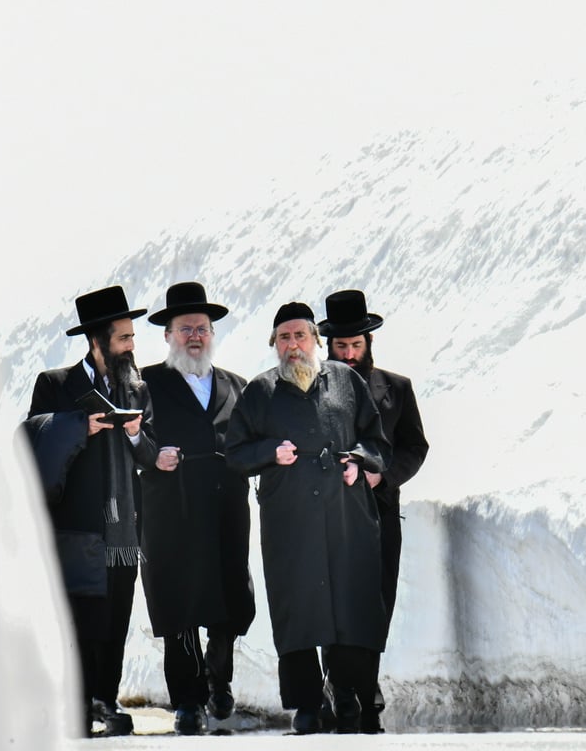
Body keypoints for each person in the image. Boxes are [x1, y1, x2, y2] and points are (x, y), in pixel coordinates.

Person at [225, 301, 392, 735]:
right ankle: (304, 704)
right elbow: (235, 451)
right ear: (274, 344)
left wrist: (359, 461)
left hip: (345, 514)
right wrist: (268, 453)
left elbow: (376, 439)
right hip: (290, 520)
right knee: (297, 608)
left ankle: (346, 693)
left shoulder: (346, 382)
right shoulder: (260, 392)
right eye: (284, 337)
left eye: (300, 335)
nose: (293, 345)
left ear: (316, 340)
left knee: (348, 601)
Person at [22, 285, 157, 737]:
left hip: (123, 532)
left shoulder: (137, 389)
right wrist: (81, 425)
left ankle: (105, 697)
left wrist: (137, 435)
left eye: (132, 337)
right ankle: (76, 704)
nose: (131, 346)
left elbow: (150, 454)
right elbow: (32, 439)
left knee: (116, 617)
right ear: (96, 341)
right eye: (123, 338)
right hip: (77, 529)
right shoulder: (56, 385)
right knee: (80, 620)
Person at [138, 282, 256, 735]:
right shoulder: (145, 384)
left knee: (228, 597)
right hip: (172, 507)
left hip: (227, 506)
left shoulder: (236, 386)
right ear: (167, 335)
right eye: (185, 328)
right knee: (180, 602)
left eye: (202, 328)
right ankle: (187, 700)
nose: (195, 336)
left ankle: (218, 676)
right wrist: (152, 456)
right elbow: (132, 442)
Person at [319, 289, 430, 733]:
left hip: (380, 510)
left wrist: (383, 476)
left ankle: (366, 682)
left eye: (355, 345)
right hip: (328, 513)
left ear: (369, 343)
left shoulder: (397, 388)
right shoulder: (315, 386)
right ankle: (343, 687)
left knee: (377, 598)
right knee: (335, 602)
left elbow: (414, 446)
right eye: (340, 347)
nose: (348, 354)